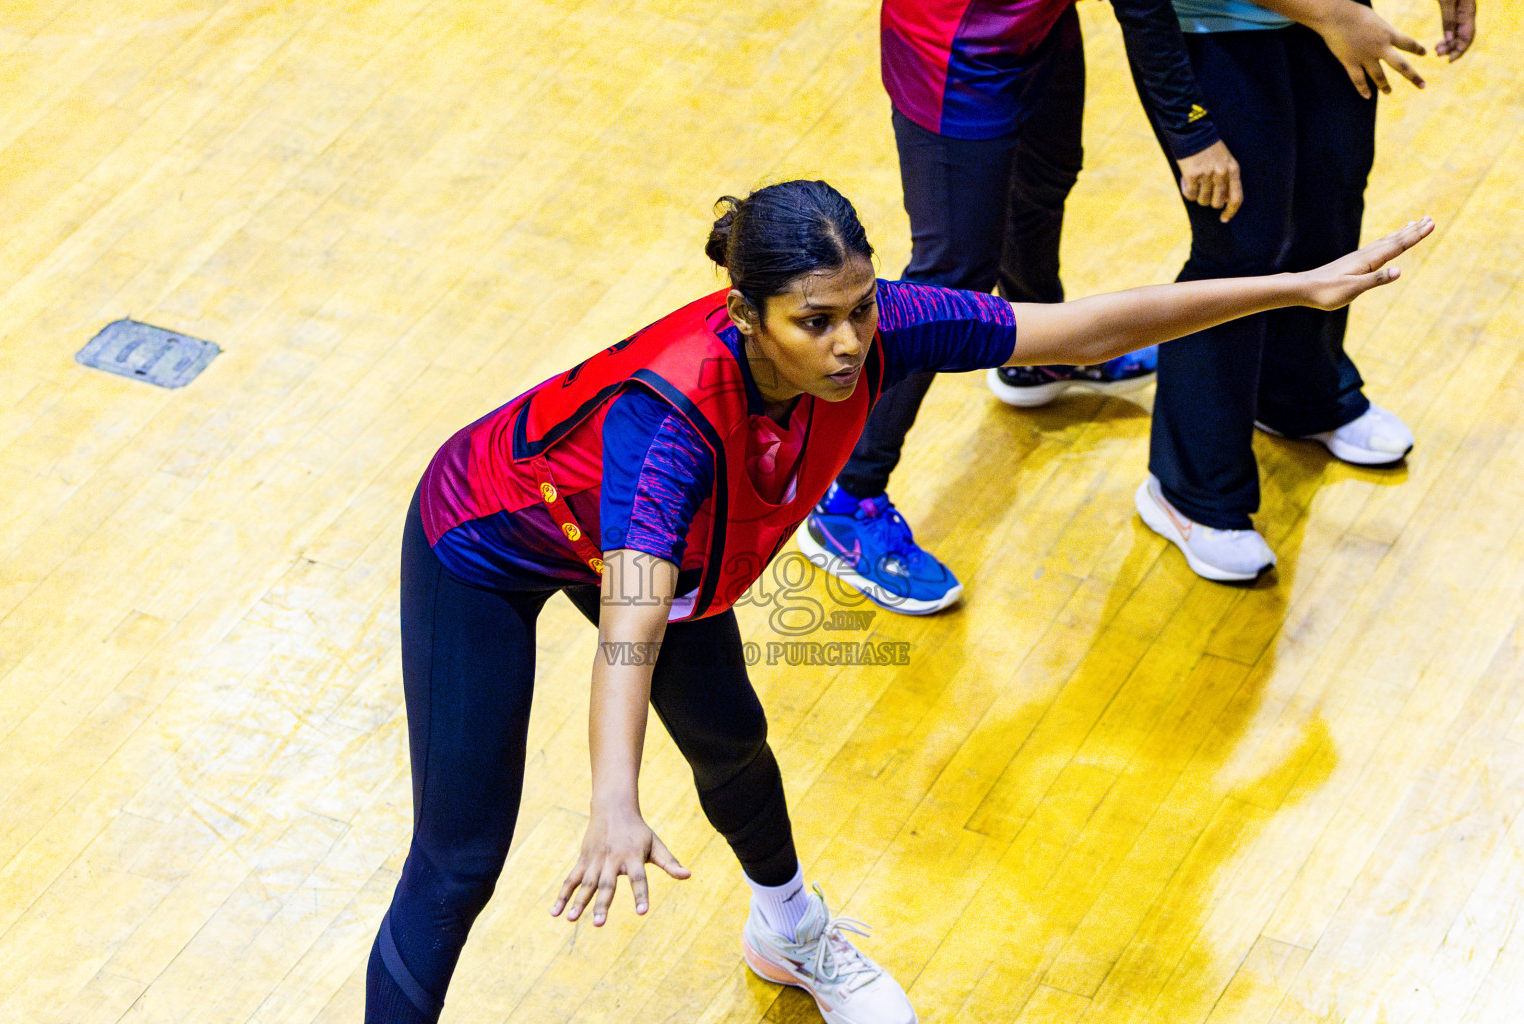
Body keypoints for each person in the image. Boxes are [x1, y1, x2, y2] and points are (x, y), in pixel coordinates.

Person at [364, 179, 1430, 1024]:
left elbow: (1087, 330)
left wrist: (1299, 287)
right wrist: (611, 800)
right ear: (746, 317)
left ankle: (789, 929)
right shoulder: (673, 426)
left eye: (861, 308)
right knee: (460, 858)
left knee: (733, 740)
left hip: (644, 540)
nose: (847, 344)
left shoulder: (893, 331)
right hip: (489, 532)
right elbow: (630, 624)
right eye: (813, 320)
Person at [799, 0, 1247, 615]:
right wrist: (1193, 132)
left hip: (1042, 25)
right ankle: (847, 499)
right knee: (951, 278)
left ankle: (1040, 360)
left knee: (1042, 181)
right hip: (956, 48)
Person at [1127, 0, 1476, 581]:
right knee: (1238, 254)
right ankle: (1188, 489)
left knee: (1329, 214)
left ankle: (1300, 397)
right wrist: (1189, 129)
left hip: (1328, 24)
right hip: (1215, 33)